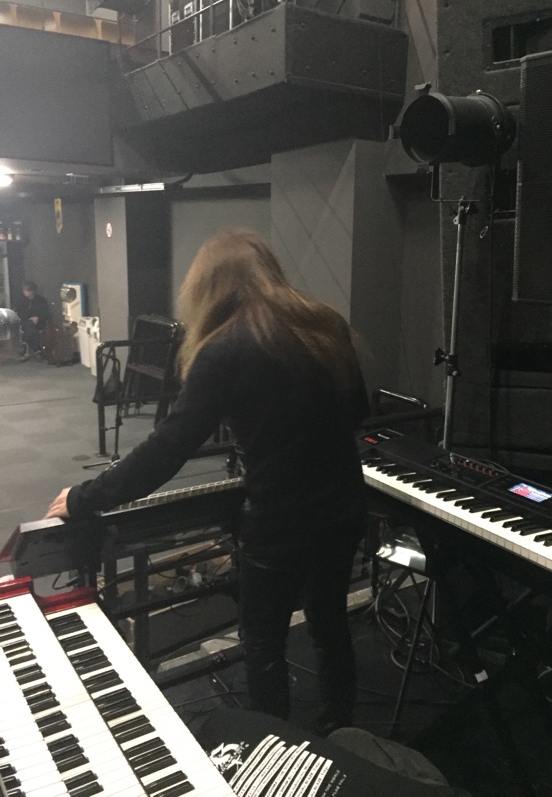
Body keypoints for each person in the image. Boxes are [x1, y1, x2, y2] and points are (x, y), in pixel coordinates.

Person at [45, 229, 370, 733]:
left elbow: (167, 450)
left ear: (208, 286)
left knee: (263, 641)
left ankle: (274, 749)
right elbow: (358, 412)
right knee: (330, 623)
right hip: (343, 509)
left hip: (280, 524)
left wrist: (84, 497)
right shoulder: (324, 323)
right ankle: (341, 727)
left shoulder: (224, 349)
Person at [15, 280, 50, 357]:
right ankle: (37, 349)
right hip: (25, 322)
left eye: (27, 290)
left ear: (32, 291)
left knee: (30, 327)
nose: (24, 292)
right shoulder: (21, 300)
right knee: (29, 326)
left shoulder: (41, 300)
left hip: (38, 322)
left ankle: (25, 346)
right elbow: (18, 312)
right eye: (24, 290)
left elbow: (46, 313)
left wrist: (38, 318)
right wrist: (28, 318)